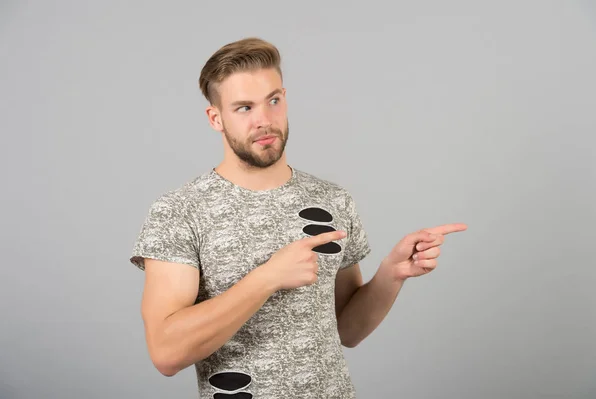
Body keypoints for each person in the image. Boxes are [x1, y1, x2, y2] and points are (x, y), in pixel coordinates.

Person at [129, 37, 467, 399]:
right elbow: (166, 353)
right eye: (244, 108)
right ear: (216, 118)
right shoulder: (179, 211)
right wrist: (267, 278)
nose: (264, 120)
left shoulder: (331, 199)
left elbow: (348, 330)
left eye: (273, 101)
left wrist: (391, 274)